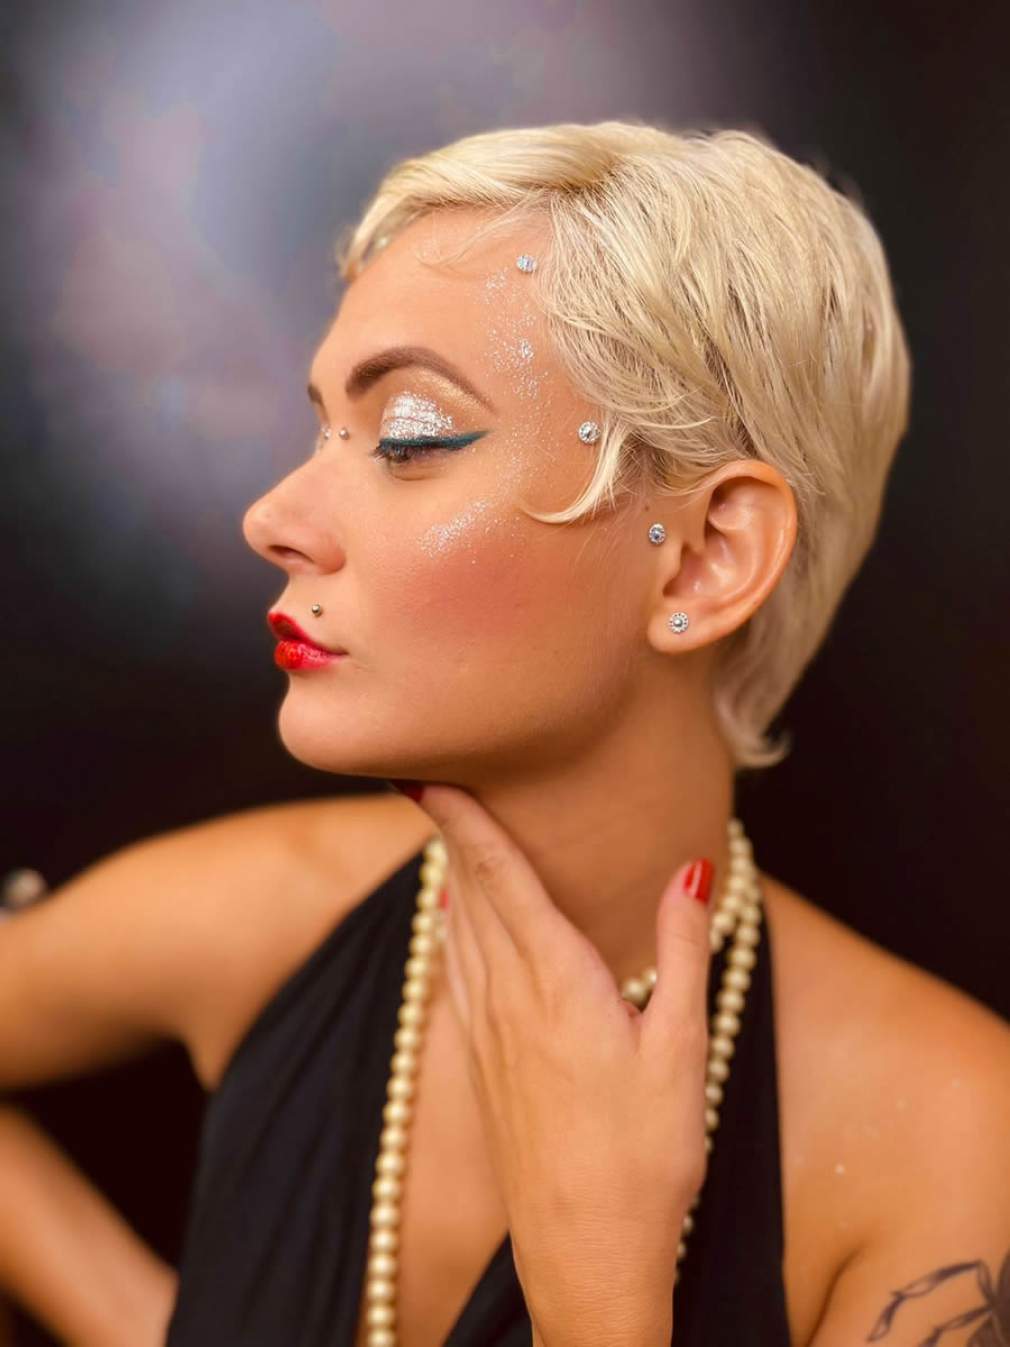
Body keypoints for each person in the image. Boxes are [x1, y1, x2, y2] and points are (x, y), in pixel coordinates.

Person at [2, 119, 1009, 1347]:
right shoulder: (263, 917)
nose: (272, 516)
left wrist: (597, 1286)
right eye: (322, 429)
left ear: (704, 556)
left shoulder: (949, 1141)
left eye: (408, 437)